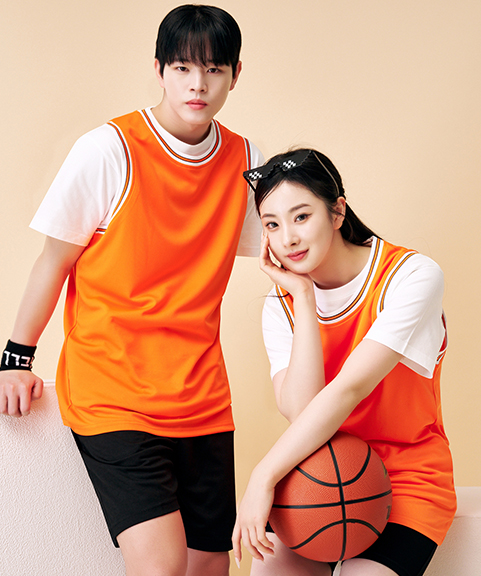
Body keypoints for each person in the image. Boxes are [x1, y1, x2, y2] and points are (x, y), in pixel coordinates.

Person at [0, 5, 262, 576]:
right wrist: (15, 359)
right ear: (159, 69)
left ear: (236, 74)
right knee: (161, 565)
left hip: (203, 397)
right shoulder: (109, 149)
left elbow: (289, 252)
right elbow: (54, 261)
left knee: (210, 566)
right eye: (183, 68)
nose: (198, 84)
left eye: (214, 69)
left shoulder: (247, 162)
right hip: (114, 389)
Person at [232, 148, 456, 576]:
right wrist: (302, 297)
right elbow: (302, 411)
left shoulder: (411, 276)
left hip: (406, 478)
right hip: (317, 473)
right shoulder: (281, 304)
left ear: (337, 212)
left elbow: (349, 389)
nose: (288, 239)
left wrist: (263, 475)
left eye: (301, 217)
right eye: (272, 224)